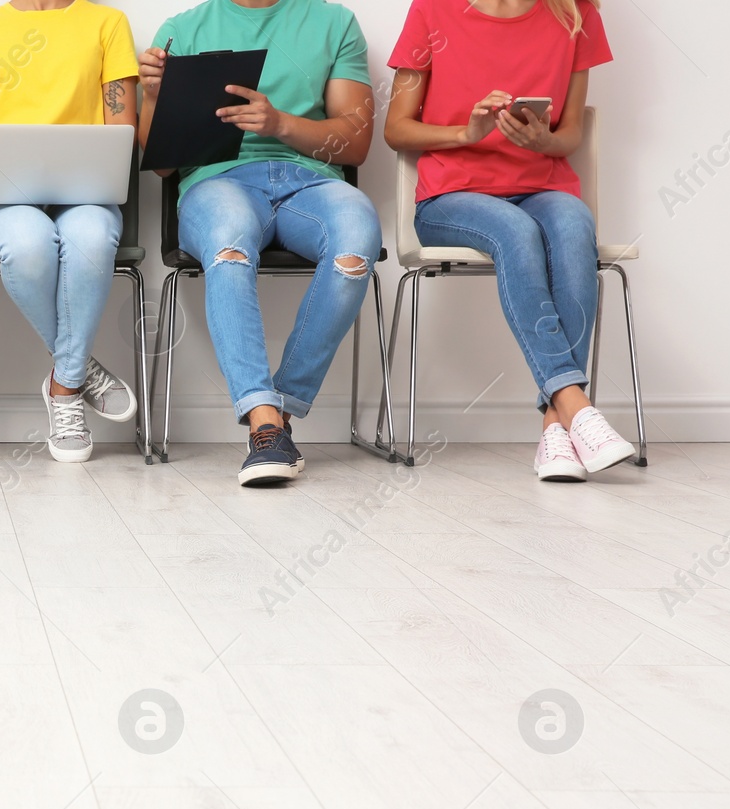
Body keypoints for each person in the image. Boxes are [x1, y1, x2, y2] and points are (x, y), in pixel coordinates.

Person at [385, 0, 634, 480]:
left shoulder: (575, 16)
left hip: (541, 188)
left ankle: (555, 431)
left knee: (573, 223)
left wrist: (545, 142)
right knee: (516, 231)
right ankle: (576, 404)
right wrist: (467, 132)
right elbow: (396, 129)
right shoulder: (432, 11)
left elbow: (571, 135)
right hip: (451, 198)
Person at [137, 0, 381, 487]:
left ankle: (280, 412)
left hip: (310, 183)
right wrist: (155, 97)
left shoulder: (334, 23)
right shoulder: (183, 30)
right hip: (217, 184)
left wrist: (280, 124)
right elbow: (161, 165)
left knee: (357, 239)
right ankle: (263, 421)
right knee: (229, 244)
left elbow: (354, 144)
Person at [0, 0, 140, 463]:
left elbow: (122, 127)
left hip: (87, 194)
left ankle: (65, 387)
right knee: (29, 241)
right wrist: (16, 185)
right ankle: (78, 371)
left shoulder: (108, 23)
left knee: (92, 236)